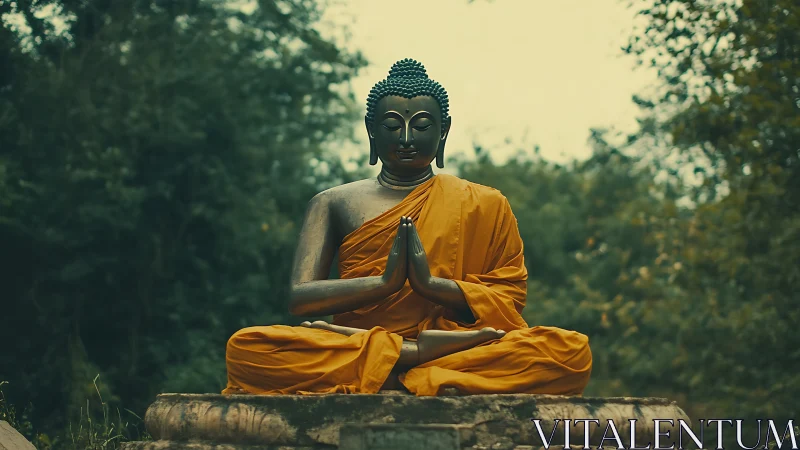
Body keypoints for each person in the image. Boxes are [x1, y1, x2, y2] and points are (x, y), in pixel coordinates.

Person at [223, 58, 592, 396]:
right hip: (363, 344)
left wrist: (429, 285)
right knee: (246, 348)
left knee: (569, 352)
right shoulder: (333, 202)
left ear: (444, 130)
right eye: (391, 126)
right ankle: (415, 358)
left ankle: (395, 369)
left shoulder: (486, 203)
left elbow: (507, 302)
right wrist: (385, 283)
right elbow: (300, 298)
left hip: (455, 344)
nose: (406, 139)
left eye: (421, 126)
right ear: (371, 129)